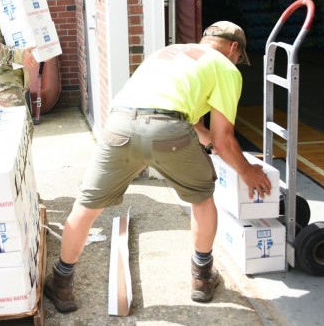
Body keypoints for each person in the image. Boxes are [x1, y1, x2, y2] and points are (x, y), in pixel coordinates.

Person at [44, 21, 273, 312]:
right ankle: (202, 277)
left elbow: (185, 116)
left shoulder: (169, 53)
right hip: (169, 134)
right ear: (233, 48)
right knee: (202, 197)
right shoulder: (225, 67)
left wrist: (206, 142)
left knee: (86, 205)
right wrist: (247, 170)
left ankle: (61, 283)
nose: (237, 62)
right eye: (239, 57)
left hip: (119, 126)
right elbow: (223, 138)